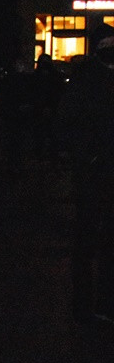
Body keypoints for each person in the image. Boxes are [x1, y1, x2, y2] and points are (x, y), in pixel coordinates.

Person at [56, 23, 114, 326]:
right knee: (86, 239)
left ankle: (105, 303)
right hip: (91, 172)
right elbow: (68, 122)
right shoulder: (86, 79)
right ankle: (83, 306)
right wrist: (87, 155)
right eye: (105, 41)